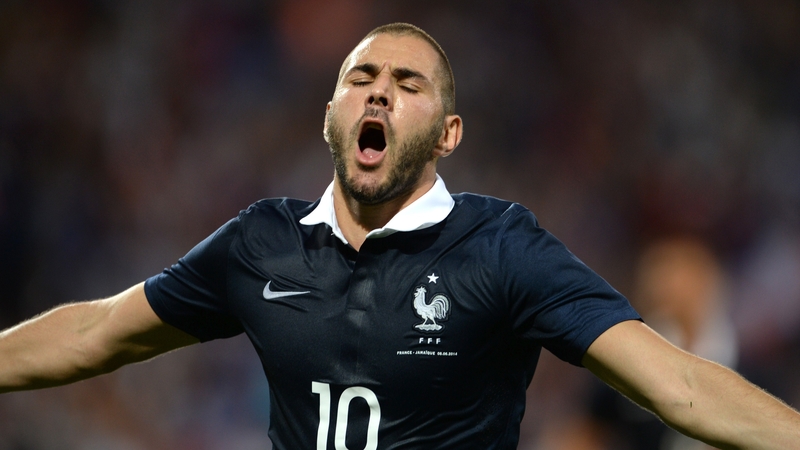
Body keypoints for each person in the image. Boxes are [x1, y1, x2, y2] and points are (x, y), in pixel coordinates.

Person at [1, 22, 798, 450]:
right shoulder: (261, 243)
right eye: (361, 78)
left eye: (407, 83)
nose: (379, 91)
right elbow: (97, 332)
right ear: (331, 117)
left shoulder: (503, 249)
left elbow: (678, 384)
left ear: (449, 134)